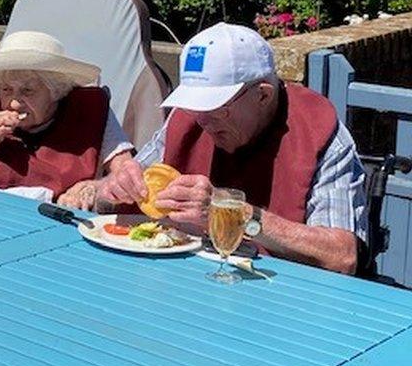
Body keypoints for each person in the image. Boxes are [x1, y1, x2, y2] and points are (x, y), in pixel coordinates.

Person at [101, 23, 367, 274]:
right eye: (196, 105)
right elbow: (122, 188)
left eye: (217, 108)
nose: (202, 121)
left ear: (263, 95)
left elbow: (343, 256)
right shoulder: (188, 118)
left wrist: (235, 214)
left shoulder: (318, 131)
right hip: (184, 277)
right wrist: (114, 188)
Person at [0, 30, 134, 209]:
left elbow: (127, 176)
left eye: (27, 91)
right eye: (6, 90)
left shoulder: (88, 111)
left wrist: (95, 187)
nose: (15, 104)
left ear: (56, 90)